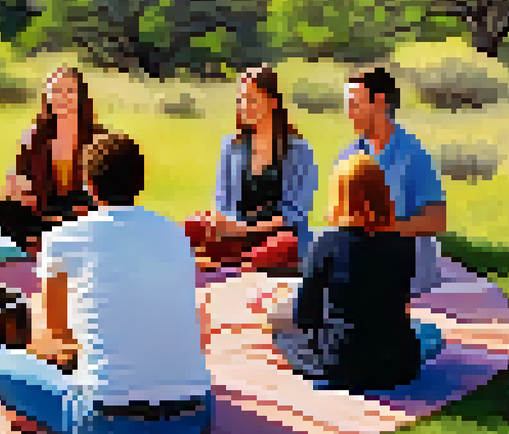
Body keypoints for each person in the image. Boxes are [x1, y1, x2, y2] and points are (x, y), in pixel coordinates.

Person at [0, 133, 214, 434]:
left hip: (105, 426)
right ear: (140, 183)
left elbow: (57, 339)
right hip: (195, 418)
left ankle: (43, 415)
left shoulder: (63, 238)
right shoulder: (174, 234)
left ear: (88, 184)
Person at [274, 153, 425, 393]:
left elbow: (305, 315)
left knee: (282, 338)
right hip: (401, 364)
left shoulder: (326, 243)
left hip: (344, 366)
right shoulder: (405, 242)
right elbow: (399, 300)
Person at [186, 66, 317, 273]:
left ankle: (236, 267)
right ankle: (237, 264)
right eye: (241, 100)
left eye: (252, 100)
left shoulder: (298, 150)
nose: (244, 106)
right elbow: (222, 202)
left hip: (276, 236)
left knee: (284, 243)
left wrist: (248, 229)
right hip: (237, 234)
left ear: (273, 102)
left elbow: (295, 212)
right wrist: (225, 225)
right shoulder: (232, 146)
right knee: (193, 224)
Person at [332, 67, 448, 296]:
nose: (349, 113)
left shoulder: (414, 154)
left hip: (405, 265)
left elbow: (437, 220)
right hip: (359, 259)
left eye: (356, 104)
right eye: (348, 105)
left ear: (381, 103)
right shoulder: (348, 155)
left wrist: (383, 228)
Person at [0, 66, 108, 256]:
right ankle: (50, 239)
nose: (62, 97)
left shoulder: (98, 137)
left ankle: (51, 240)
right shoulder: (34, 136)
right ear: (47, 97)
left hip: (82, 209)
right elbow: (18, 177)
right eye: (56, 91)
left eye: (69, 91)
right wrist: (19, 191)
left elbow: (107, 188)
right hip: (44, 207)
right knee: (6, 209)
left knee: (87, 210)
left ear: (80, 95)